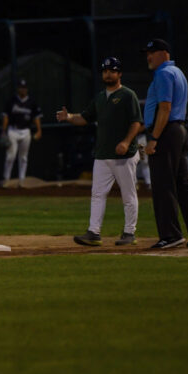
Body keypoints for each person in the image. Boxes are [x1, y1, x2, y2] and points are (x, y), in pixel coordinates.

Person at [56, 56, 143, 246]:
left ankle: (129, 233)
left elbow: (137, 122)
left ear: (119, 74)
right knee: (97, 194)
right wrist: (69, 116)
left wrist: (127, 142)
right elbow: (85, 118)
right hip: (103, 154)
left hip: (124, 156)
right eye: (105, 71)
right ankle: (93, 233)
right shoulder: (100, 97)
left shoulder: (128, 95)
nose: (108, 74)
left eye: (112, 70)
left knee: (128, 195)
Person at [141, 39, 188, 249]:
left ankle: (171, 235)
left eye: (152, 52)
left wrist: (154, 138)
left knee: (163, 185)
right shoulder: (177, 72)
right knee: (184, 182)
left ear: (164, 53)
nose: (148, 56)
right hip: (178, 130)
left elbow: (165, 108)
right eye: (147, 52)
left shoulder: (163, 74)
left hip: (166, 132)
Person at [0, 78, 42, 186]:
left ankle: (22, 180)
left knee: (23, 157)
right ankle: (6, 179)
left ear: (27, 89)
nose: (23, 90)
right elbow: (6, 117)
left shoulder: (32, 102)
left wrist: (39, 130)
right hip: (13, 130)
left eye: (24, 88)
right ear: (18, 89)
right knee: (11, 156)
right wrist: (4, 131)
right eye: (21, 88)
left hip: (26, 131)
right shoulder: (11, 101)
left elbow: (36, 117)